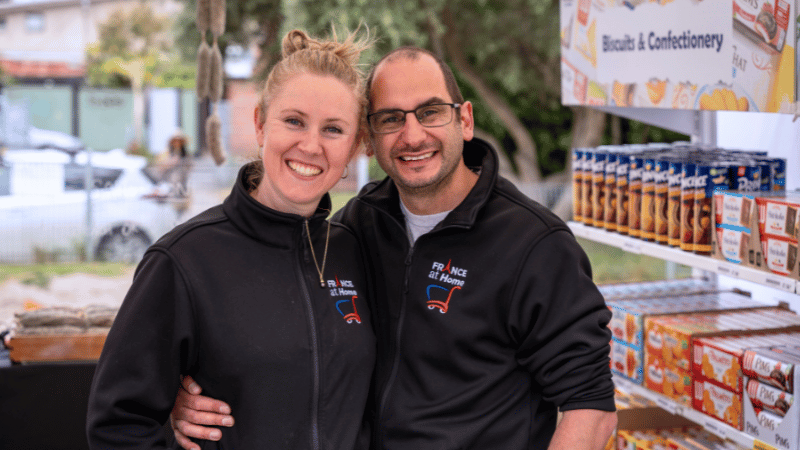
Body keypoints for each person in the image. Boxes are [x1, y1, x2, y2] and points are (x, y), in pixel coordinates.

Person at [171, 46, 618, 450]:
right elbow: (283, 326)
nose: (412, 135)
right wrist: (186, 391)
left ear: (464, 119)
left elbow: (591, 411)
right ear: (369, 137)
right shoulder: (357, 225)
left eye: (430, 112)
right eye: (390, 118)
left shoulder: (535, 245)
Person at [86, 28, 376, 449]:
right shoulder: (183, 261)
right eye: (293, 121)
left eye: (333, 129)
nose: (310, 145)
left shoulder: (355, 251)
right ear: (260, 124)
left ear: (354, 147)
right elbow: (118, 426)